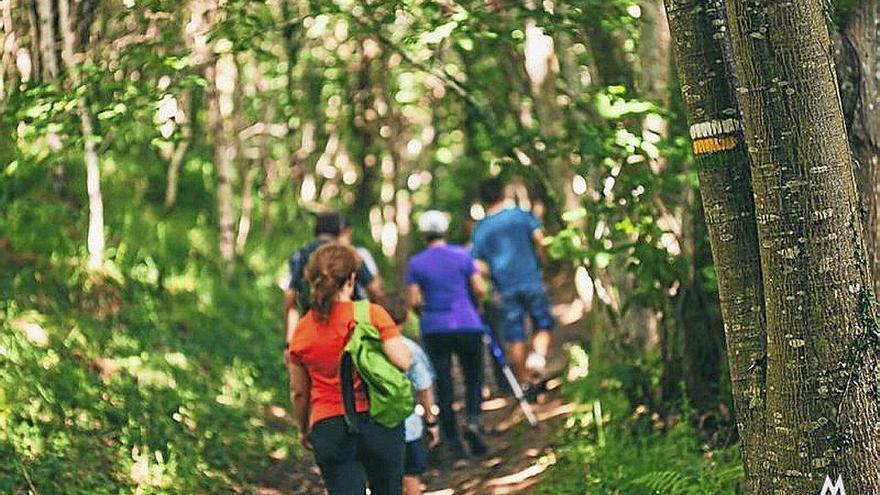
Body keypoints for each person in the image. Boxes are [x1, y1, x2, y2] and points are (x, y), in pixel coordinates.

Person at [287, 243, 411, 495]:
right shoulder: (372, 315)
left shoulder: (303, 328)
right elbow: (403, 361)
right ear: (352, 278)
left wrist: (303, 428)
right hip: (380, 421)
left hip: (329, 427)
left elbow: (299, 391)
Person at [405, 210, 488, 457]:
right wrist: (475, 304)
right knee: (474, 376)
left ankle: (451, 438)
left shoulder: (416, 263)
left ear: (424, 234)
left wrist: (425, 312)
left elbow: (413, 299)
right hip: (467, 323)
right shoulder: (462, 255)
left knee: (443, 383)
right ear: (445, 230)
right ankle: (473, 421)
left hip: (435, 328)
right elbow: (479, 288)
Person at [471, 178, 555, 387]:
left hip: (504, 287)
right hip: (531, 279)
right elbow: (540, 239)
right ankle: (537, 359)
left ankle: (524, 381)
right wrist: (542, 259)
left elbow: (476, 263)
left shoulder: (481, 228)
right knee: (542, 323)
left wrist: (492, 271)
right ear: (503, 193)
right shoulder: (521, 215)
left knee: (514, 335)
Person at [284, 211, 383, 355]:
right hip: (348, 328)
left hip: (311, 326)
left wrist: (289, 342)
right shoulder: (347, 253)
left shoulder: (303, 254)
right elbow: (373, 289)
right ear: (340, 230)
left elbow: (290, 297)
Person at [378, 294, 441, 495]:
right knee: (410, 475)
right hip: (408, 426)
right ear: (404, 319)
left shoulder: (367, 348)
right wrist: (430, 420)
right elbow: (423, 386)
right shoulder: (409, 348)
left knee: (382, 480)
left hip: (374, 427)